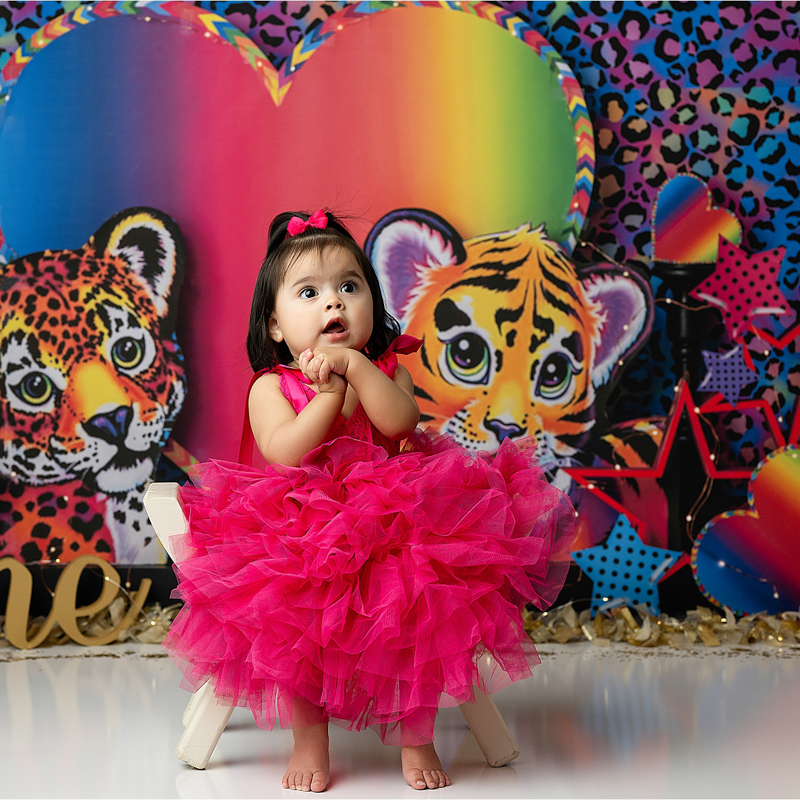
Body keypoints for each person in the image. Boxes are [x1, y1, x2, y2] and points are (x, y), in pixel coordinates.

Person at [164, 209, 574, 792]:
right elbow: (284, 452)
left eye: (348, 288)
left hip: (395, 518)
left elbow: (399, 420)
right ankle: (310, 737)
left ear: (370, 306)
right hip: (299, 528)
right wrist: (326, 397)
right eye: (309, 292)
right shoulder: (270, 386)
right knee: (290, 619)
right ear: (276, 325)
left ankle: (417, 738)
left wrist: (356, 368)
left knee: (418, 608)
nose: (333, 304)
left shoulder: (387, 370)